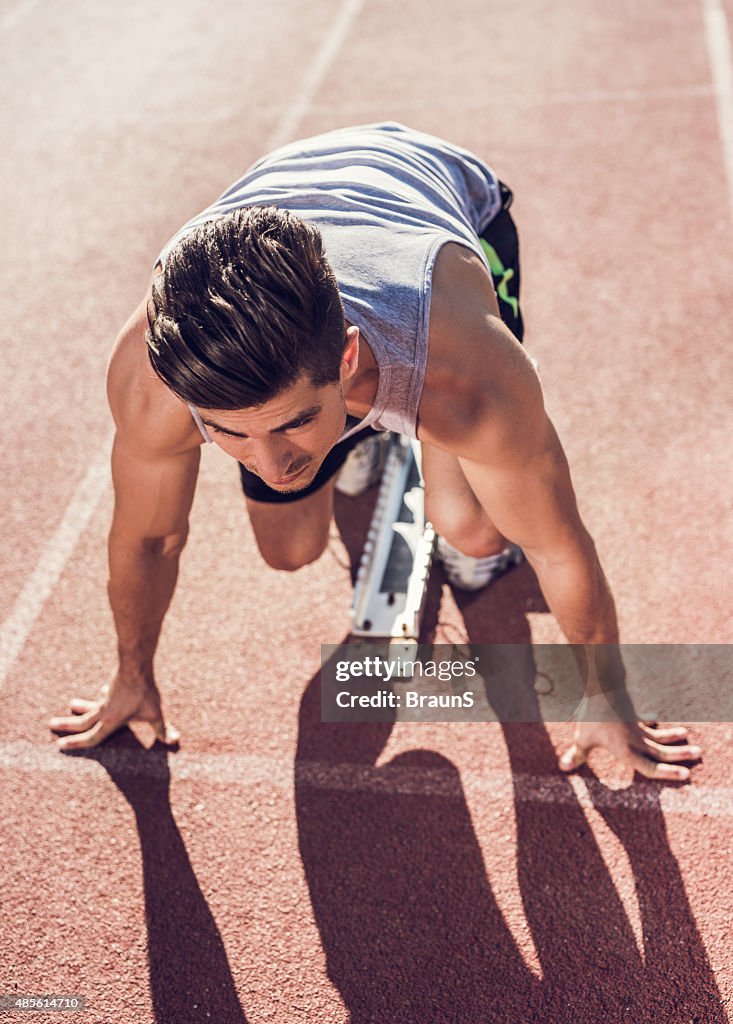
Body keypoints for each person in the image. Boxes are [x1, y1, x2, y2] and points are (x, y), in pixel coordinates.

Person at [49, 122, 701, 780]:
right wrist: (131, 673)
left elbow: (556, 545)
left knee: (475, 532)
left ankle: (397, 426)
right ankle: (354, 429)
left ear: (348, 355)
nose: (272, 465)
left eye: (294, 422)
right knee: (288, 549)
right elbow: (150, 540)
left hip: (436, 205)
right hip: (296, 217)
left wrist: (603, 696)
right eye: (229, 433)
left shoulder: (463, 374)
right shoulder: (152, 383)